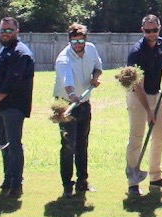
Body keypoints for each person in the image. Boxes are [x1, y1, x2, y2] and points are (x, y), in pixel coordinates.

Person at [0, 17, 34, 198]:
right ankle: (7, 180)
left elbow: (12, 81)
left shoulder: (21, 52)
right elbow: (2, 70)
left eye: (9, 30)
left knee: (13, 144)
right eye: (2, 30)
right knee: (3, 145)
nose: (5, 33)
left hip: (13, 107)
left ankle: (16, 185)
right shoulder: (5, 50)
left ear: (17, 31)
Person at [126, 14, 162, 195]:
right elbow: (137, 85)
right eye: (148, 31)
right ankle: (133, 182)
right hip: (138, 96)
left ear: (159, 28)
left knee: (159, 135)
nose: (152, 34)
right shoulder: (136, 52)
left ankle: (155, 177)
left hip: (156, 94)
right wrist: (148, 111)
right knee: (137, 137)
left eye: (154, 30)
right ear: (142, 31)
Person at [53, 23, 102, 198]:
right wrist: (73, 96)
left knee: (82, 144)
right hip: (67, 106)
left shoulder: (91, 49)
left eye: (81, 40)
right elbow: (67, 82)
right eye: (74, 41)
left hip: (85, 104)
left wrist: (95, 79)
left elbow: (98, 67)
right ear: (69, 41)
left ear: (85, 39)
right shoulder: (63, 59)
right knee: (68, 146)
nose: (78, 44)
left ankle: (83, 182)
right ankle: (67, 185)